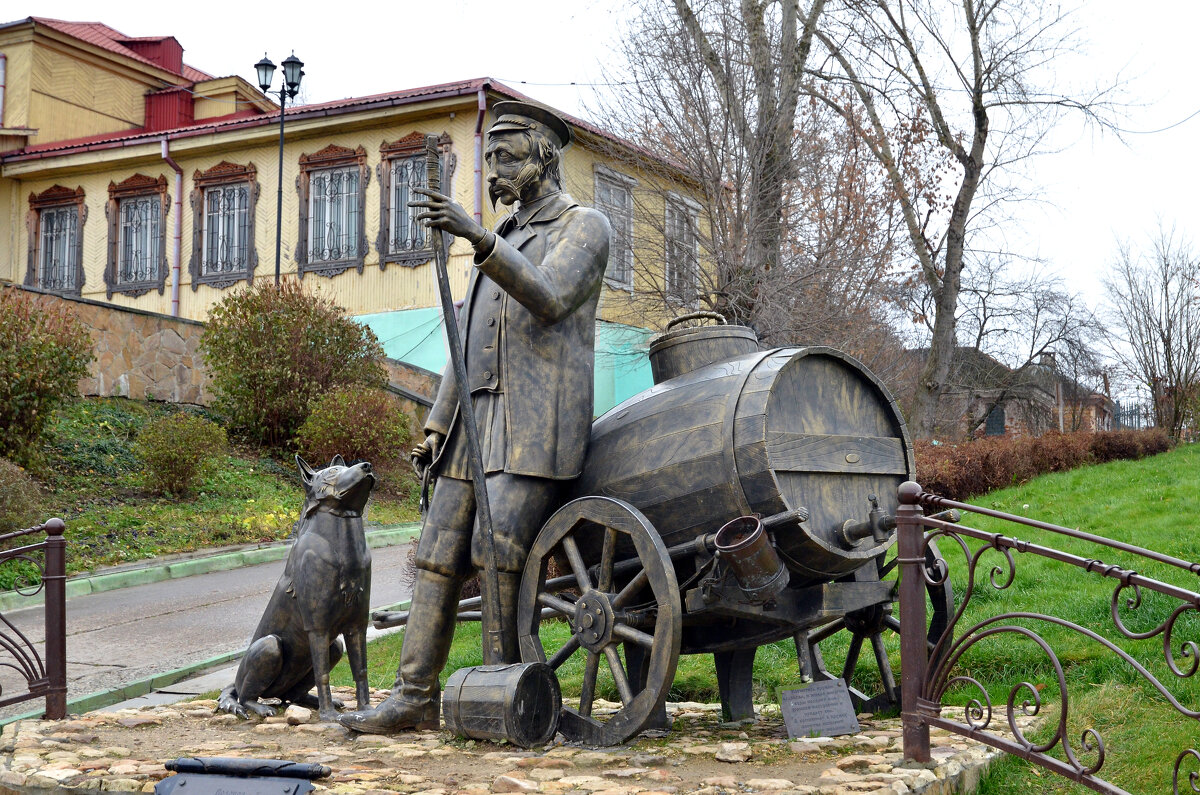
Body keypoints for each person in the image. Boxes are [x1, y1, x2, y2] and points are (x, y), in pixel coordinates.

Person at [338, 101, 610, 733]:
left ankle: (503, 695)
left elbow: (548, 298)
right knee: (435, 554)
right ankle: (413, 697)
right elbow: (463, 336)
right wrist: (437, 424)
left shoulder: (584, 227)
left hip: (535, 425)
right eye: (490, 158)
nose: (496, 170)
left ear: (545, 155)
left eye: (508, 156)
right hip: (473, 426)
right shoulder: (506, 238)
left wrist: (478, 238)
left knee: (498, 553)